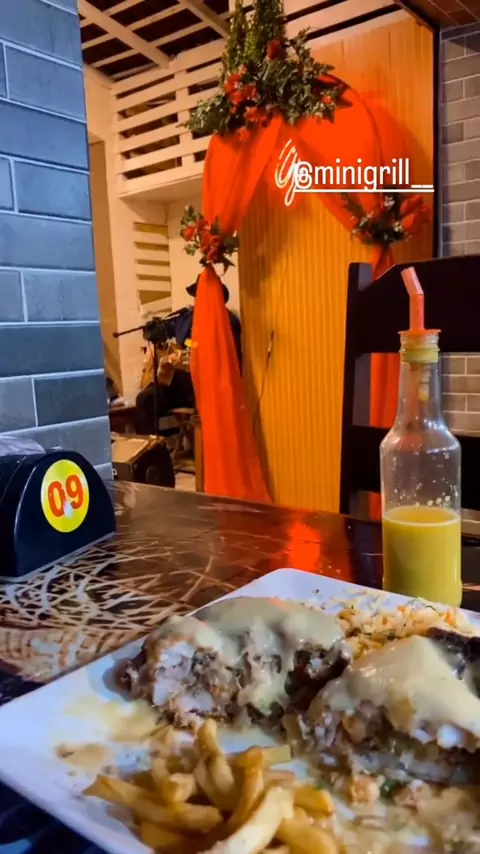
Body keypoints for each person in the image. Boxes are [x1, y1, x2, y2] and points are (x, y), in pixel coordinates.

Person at [135, 278, 241, 435]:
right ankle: (153, 449)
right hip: (180, 384)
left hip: (207, 386)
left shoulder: (227, 322)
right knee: (145, 399)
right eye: (197, 296)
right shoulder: (186, 317)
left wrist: (193, 360)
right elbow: (161, 331)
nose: (198, 300)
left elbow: (227, 360)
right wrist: (153, 339)